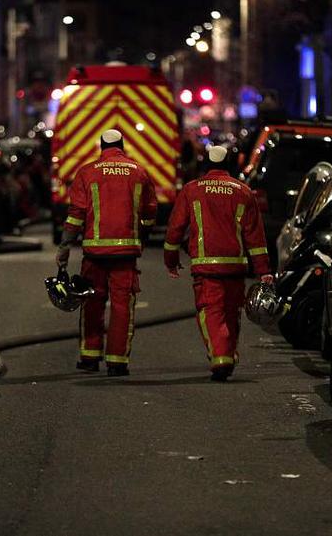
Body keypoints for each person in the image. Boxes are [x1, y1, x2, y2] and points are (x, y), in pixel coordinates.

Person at [164, 145, 272, 381]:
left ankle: (221, 358)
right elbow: (256, 237)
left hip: (207, 267)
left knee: (211, 311)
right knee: (232, 312)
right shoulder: (243, 192)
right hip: (236, 266)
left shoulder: (192, 190)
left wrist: (170, 260)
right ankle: (228, 353)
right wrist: (264, 271)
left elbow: (175, 230)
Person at [56, 129, 157, 376]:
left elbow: (76, 214)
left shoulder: (87, 172)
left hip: (95, 254)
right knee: (122, 307)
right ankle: (117, 361)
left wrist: (65, 246)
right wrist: (142, 235)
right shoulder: (138, 171)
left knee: (91, 302)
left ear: (101, 147)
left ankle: (90, 357)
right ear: (123, 146)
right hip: (125, 254)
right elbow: (150, 211)